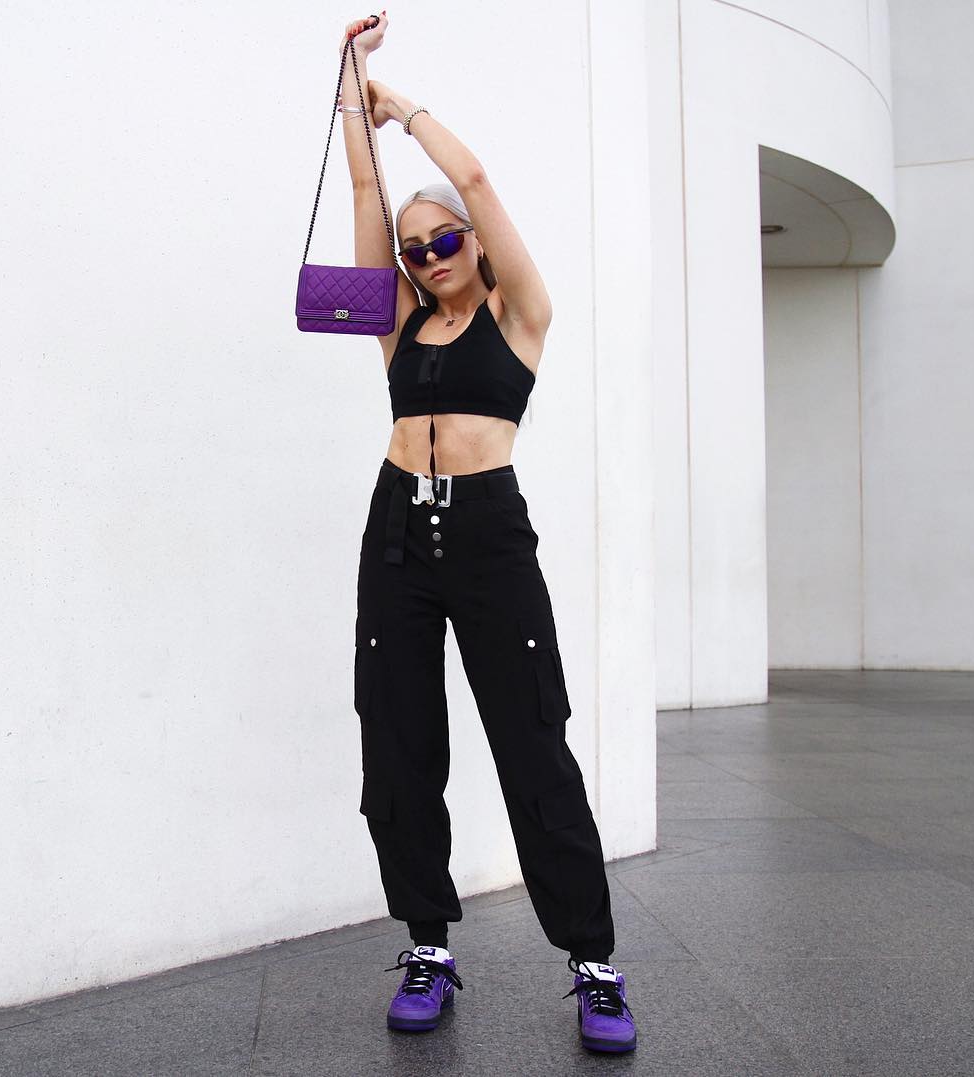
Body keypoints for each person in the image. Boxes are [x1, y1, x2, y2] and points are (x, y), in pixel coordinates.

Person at [337, 13, 636, 1054]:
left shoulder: (521, 316)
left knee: (531, 741)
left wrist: (405, 107)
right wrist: (350, 82)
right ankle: (427, 944)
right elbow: (367, 195)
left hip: (489, 536)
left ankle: (594, 966)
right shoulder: (398, 320)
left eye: (445, 240)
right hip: (395, 531)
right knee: (398, 742)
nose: (428, 257)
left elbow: (478, 179)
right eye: (416, 250)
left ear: (473, 240)